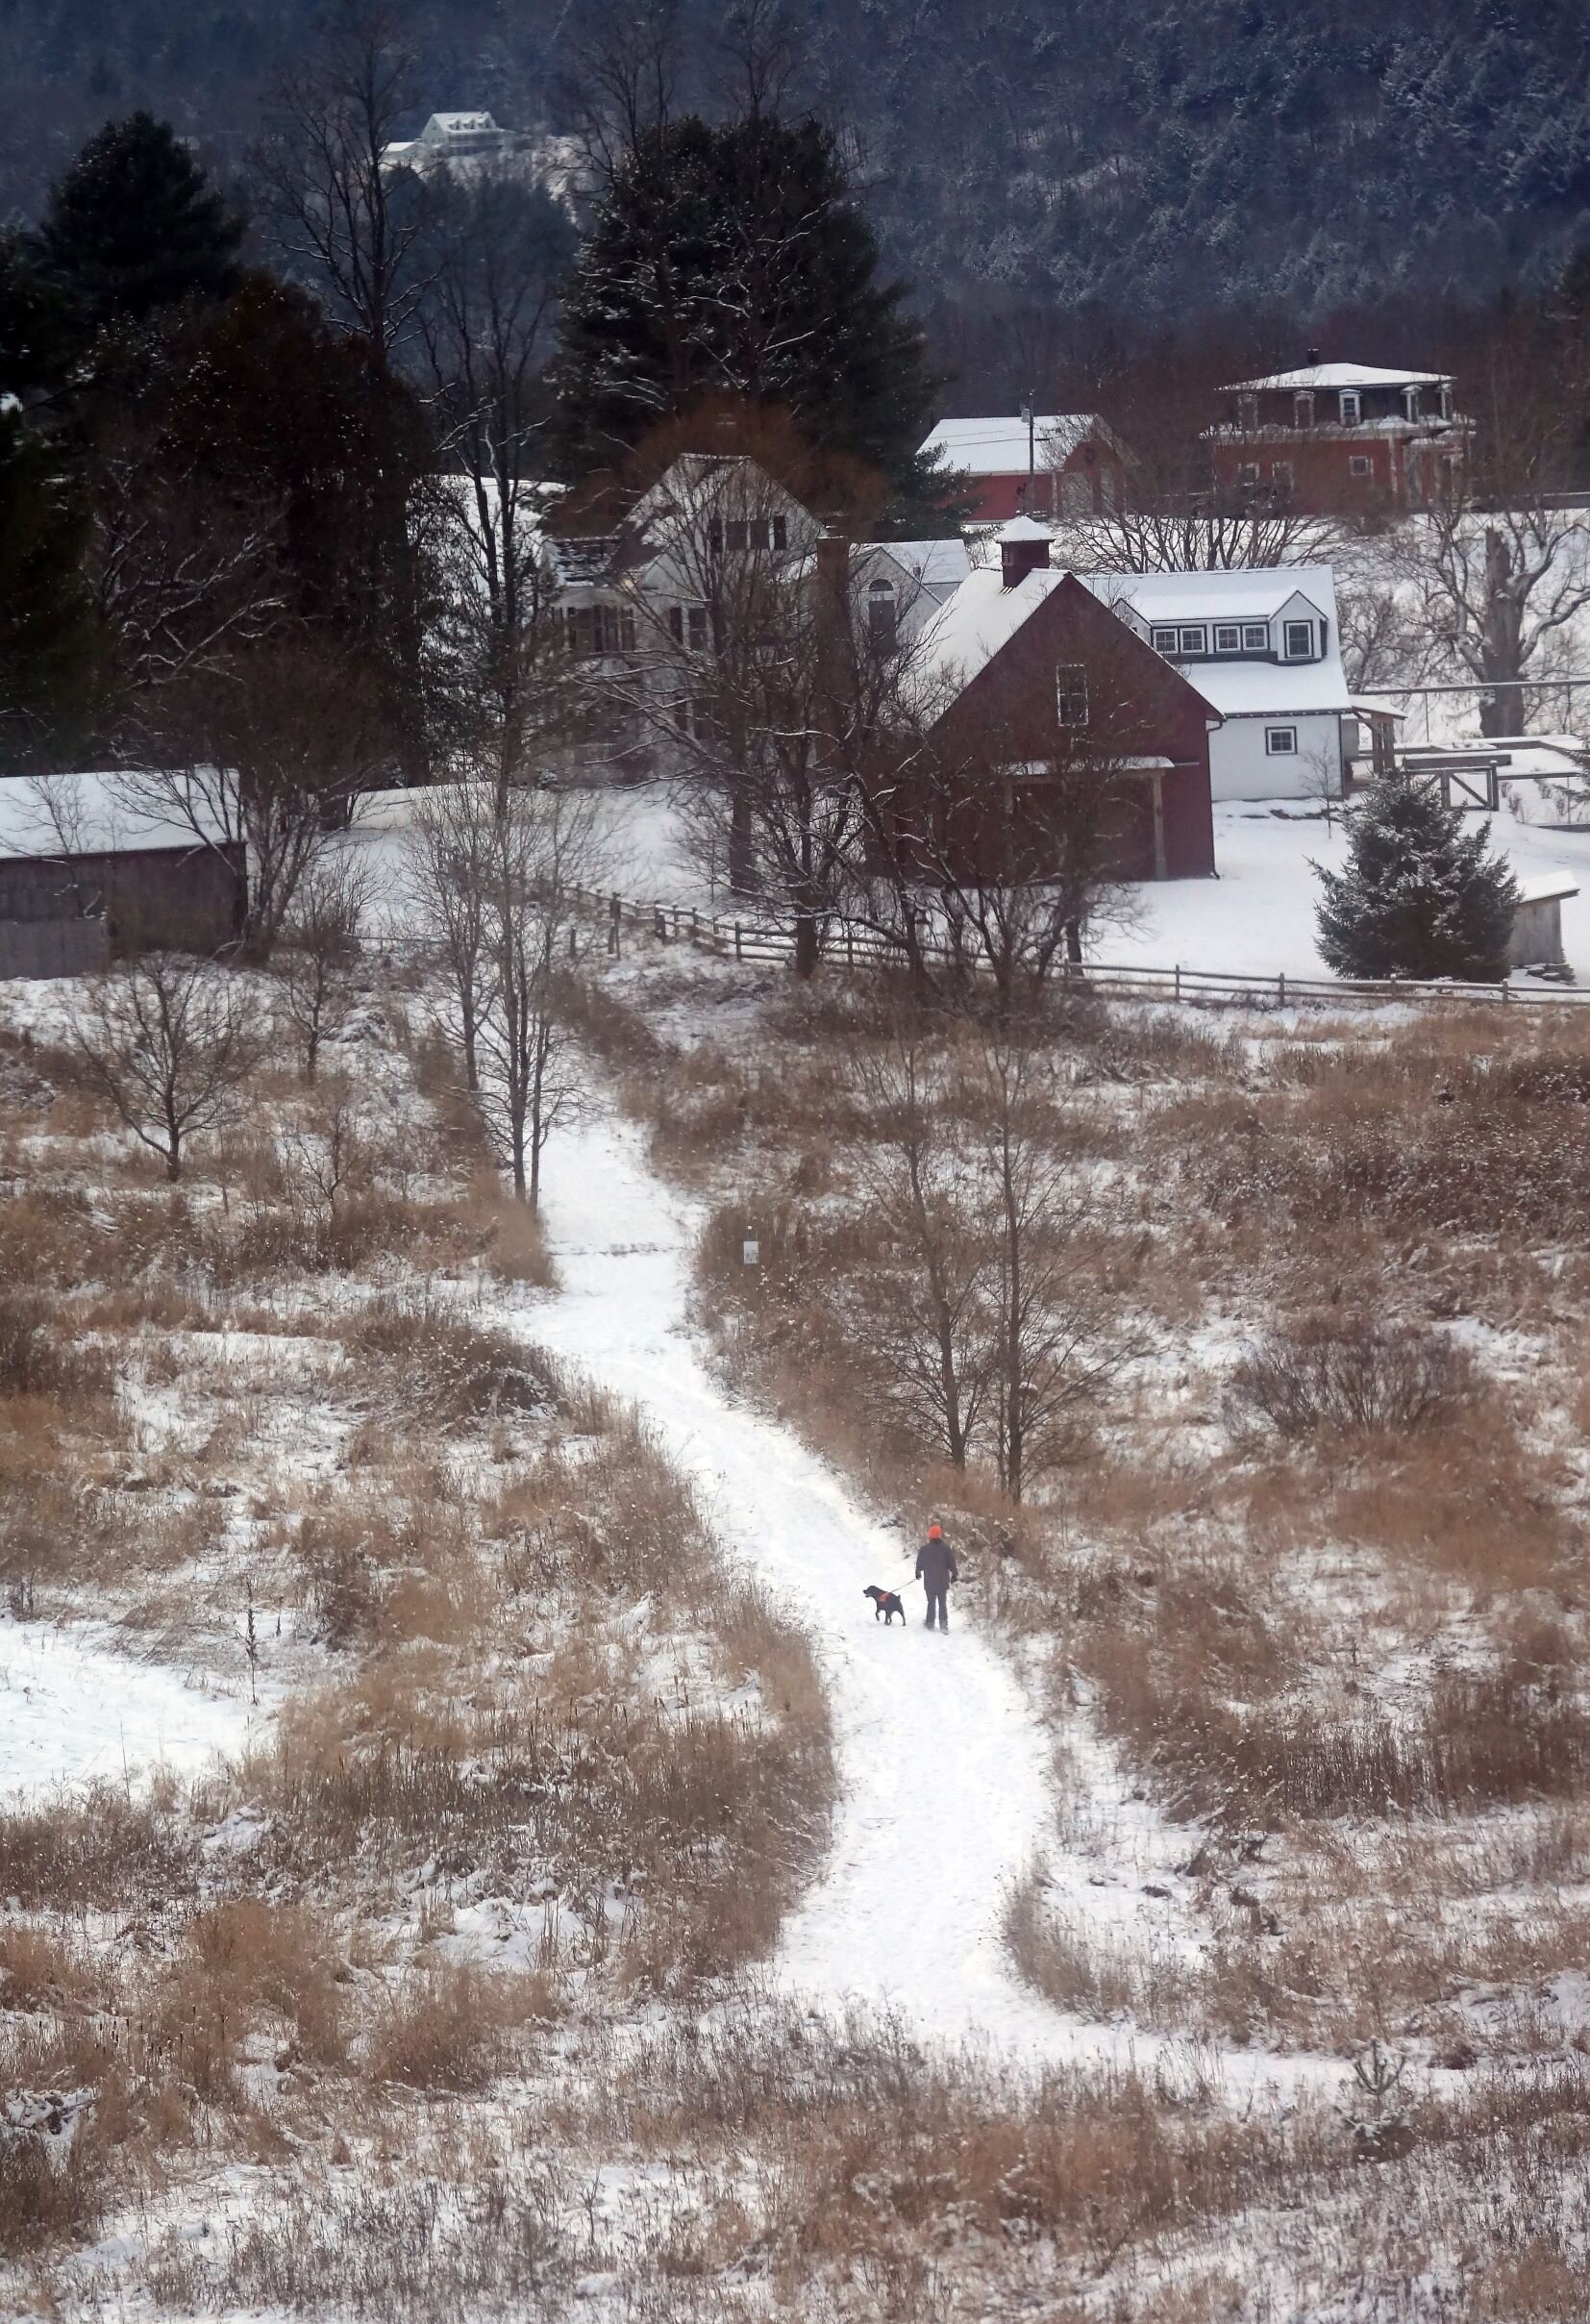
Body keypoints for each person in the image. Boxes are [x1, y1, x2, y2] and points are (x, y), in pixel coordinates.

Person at [916, 1521, 957, 1632]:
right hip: (942, 1581)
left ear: (929, 1536)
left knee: (931, 1602)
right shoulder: (946, 1549)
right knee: (942, 1603)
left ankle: (930, 1623)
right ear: (940, 1535)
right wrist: (954, 1574)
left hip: (930, 1581)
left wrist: (918, 1572)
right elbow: (952, 1563)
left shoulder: (924, 1549)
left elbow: (919, 1564)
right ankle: (943, 1625)